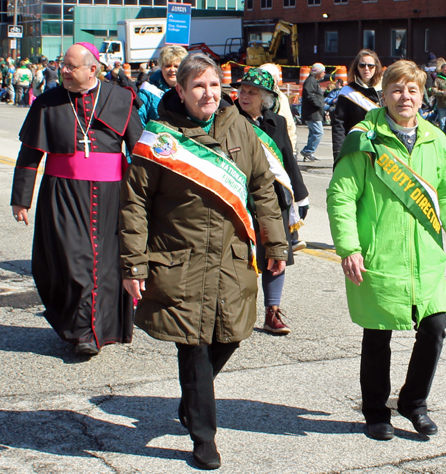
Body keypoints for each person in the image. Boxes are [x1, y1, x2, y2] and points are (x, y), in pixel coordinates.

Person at [119, 53, 288, 470]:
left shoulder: (241, 129)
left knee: (231, 334)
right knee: (193, 346)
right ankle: (204, 437)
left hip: (231, 258)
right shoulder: (158, 138)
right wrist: (133, 264)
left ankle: (194, 399)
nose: (207, 93)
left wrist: (276, 244)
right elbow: (135, 205)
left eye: (213, 85)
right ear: (180, 90)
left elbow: (263, 189)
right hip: (180, 259)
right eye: (198, 86)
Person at [327, 60, 446, 441]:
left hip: (426, 257)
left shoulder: (436, 139)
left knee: (434, 328)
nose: (405, 97)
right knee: (378, 334)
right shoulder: (364, 139)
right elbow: (341, 196)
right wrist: (349, 246)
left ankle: (414, 403)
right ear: (383, 94)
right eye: (397, 89)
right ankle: (375, 411)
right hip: (379, 254)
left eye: (412, 90)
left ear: (422, 95)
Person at [10, 42, 143, 357]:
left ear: (92, 69)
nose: (63, 72)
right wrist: (21, 198)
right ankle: (83, 328)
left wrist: (147, 196)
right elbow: (30, 155)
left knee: (107, 264)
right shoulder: (48, 102)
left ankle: (95, 331)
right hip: (62, 193)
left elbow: (139, 150)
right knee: (74, 261)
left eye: (70, 67)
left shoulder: (120, 99)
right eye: (62, 65)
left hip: (111, 195)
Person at [231, 68, 309, 335]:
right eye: (242, 90)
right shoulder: (228, 119)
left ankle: (272, 312)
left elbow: (288, 159)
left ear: (265, 97)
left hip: (275, 198)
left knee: (277, 254)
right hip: (241, 196)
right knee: (242, 256)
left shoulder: (275, 121)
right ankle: (237, 311)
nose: (245, 96)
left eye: (252, 92)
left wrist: (301, 196)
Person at [331, 49, 383, 161]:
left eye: (370, 66)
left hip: (382, 149)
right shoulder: (348, 92)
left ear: (376, 67)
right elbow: (339, 124)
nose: (366, 69)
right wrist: (338, 152)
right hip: (356, 147)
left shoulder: (385, 90)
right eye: (362, 65)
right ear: (357, 67)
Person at [137, 45, 188, 127]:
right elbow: (137, 123)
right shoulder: (147, 91)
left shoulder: (190, 90)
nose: (172, 69)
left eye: (176, 66)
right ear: (161, 67)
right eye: (168, 66)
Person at [260, 62, 298, 157]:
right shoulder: (253, 97)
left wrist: (292, 151)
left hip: (277, 150)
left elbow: (289, 126)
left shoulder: (280, 99)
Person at [300, 62, 326, 161]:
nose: (324, 73)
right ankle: (308, 150)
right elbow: (309, 95)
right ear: (318, 72)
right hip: (312, 113)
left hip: (315, 113)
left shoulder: (314, 81)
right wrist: (318, 104)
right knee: (318, 132)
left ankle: (309, 152)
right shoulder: (310, 81)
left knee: (313, 133)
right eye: (323, 71)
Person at [430, 63, 446, 131]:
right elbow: (433, 90)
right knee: (443, 123)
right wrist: (442, 93)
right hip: (442, 104)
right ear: (441, 70)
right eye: (445, 70)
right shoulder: (438, 79)